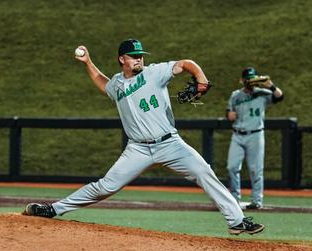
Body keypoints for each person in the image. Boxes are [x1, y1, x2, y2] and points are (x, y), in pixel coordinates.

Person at [23, 39, 265, 235]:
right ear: (122, 59)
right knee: (105, 186)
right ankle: (53, 209)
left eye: (141, 55)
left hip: (170, 143)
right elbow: (102, 82)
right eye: (134, 55)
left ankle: (237, 221)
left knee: (204, 171)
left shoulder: (155, 73)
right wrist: (88, 61)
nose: (139, 58)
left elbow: (186, 63)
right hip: (137, 149)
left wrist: (201, 79)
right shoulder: (117, 84)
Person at [226, 67, 284, 209]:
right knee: (232, 167)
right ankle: (234, 199)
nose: (250, 81)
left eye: (252, 78)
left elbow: (279, 96)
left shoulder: (263, 93)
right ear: (242, 80)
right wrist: (229, 115)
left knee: (255, 169)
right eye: (248, 79)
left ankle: (257, 201)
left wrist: (270, 85)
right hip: (238, 135)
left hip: (255, 134)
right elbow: (229, 111)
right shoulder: (236, 95)